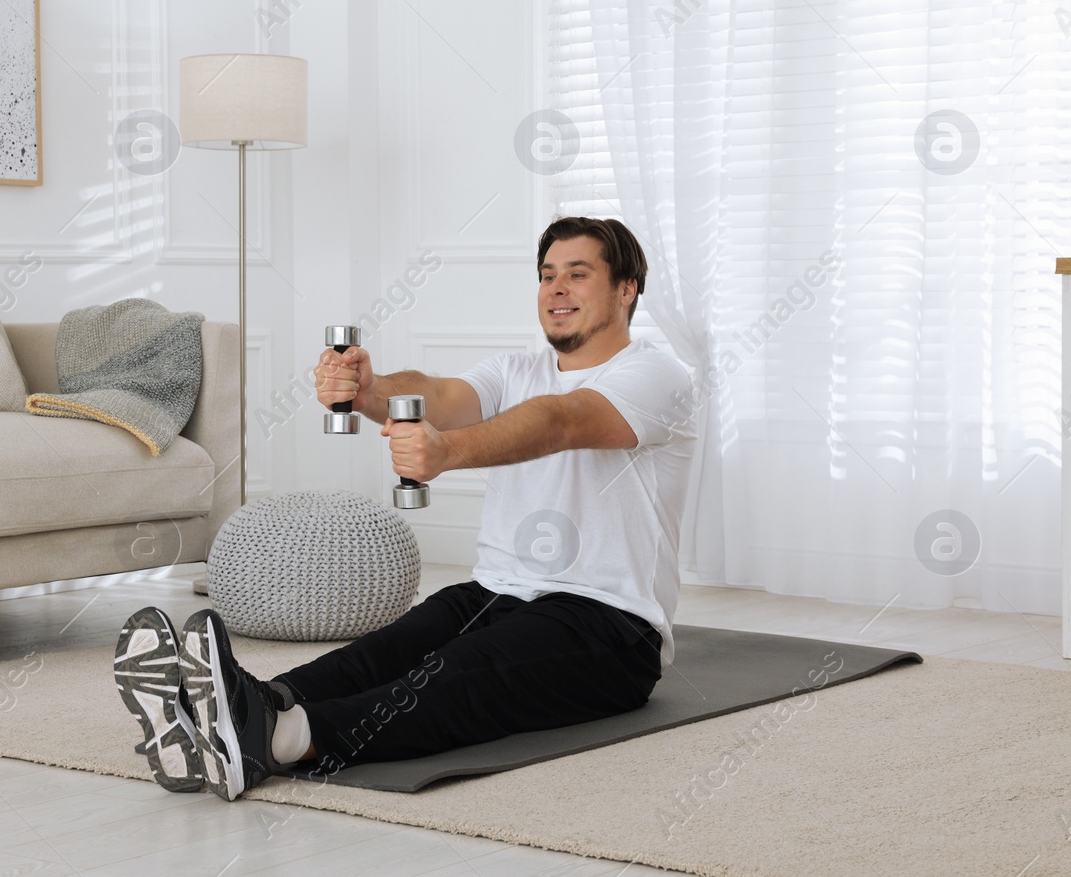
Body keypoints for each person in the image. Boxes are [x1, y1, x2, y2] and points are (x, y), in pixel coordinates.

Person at [112, 215, 696, 800]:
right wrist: (368, 391)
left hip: (608, 621)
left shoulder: (655, 375)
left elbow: (562, 421)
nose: (556, 289)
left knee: (454, 673)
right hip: (497, 591)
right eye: (547, 276)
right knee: (379, 655)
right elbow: (438, 397)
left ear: (626, 289)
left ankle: (281, 740)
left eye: (577, 274)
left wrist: (448, 452)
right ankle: (241, 708)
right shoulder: (515, 369)